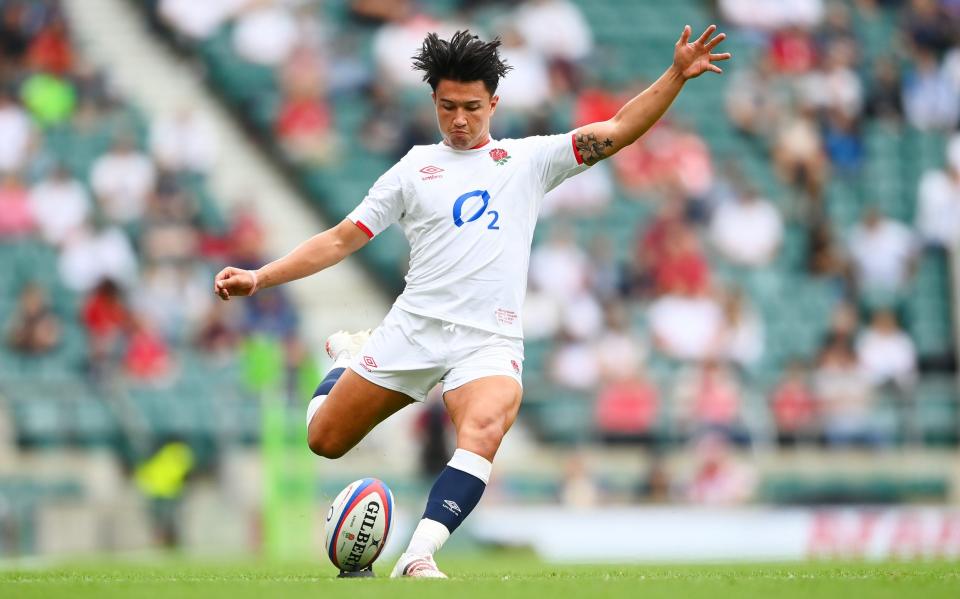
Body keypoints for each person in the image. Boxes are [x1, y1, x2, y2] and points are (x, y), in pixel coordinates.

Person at [213, 26, 729, 578]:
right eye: (447, 106)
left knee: (483, 430)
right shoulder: (414, 169)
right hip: (414, 330)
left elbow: (618, 130)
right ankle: (347, 359)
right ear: (433, 102)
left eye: (472, 108)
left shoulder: (529, 160)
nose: (459, 120)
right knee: (324, 440)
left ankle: (418, 555)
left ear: (494, 103)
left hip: (488, 338)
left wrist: (675, 75)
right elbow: (341, 238)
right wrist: (260, 278)